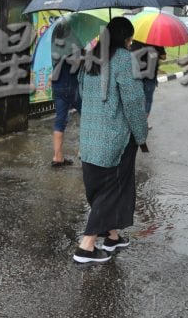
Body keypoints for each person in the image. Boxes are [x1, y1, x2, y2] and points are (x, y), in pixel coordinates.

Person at [73, 16, 149, 265]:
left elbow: (82, 93)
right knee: (112, 188)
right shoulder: (125, 59)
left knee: (100, 185)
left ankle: (113, 236)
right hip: (116, 136)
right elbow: (134, 101)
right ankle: (86, 246)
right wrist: (141, 135)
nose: (130, 44)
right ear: (126, 38)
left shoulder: (90, 57)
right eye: (129, 39)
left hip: (90, 134)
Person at [49, 18, 82, 167]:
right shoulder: (74, 45)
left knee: (60, 120)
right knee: (87, 116)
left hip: (58, 86)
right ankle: (83, 151)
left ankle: (58, 156)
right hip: (73, 86)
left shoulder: (54, 44)